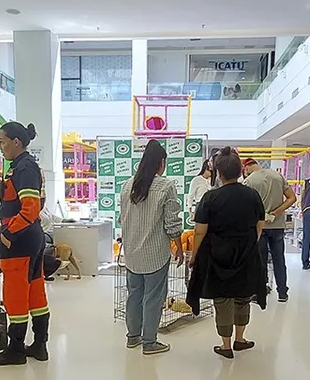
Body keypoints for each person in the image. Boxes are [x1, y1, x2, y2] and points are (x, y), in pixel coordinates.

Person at [187, 149, 267, 359]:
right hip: (246, 252)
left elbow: (200, 231)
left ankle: (226, 345)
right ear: (241, 170)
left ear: (219, 172)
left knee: (222, 298)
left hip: (217, 254)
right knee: (242, 295)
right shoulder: (252, 195)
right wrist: (251, 242)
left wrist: (194, 255)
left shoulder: (210, 197)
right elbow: (260, 224)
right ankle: (240, 339)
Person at [0, 121, 50, 366]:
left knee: (15, 296)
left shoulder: (23, 168)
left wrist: (7, 233)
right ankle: (39, 345)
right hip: (32, 237)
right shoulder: (27, 166)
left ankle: (15, 350)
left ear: (16, 142)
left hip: (19, 241)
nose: (0, 146)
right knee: (35, 293)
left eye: (2, 141)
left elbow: (31, 207)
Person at [120, 139, 183, 355]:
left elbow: (123, 219)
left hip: (132, 254)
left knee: (134, 295)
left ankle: (133, 337)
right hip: (155, 252)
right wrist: (179, 247)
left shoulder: (127, 185)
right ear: (161, 162)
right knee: (154, 297)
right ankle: (149, 342)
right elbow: (172, 222)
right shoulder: (166, 186)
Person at [244, 157, 296, 302]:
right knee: (279, 259)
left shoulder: (249, 181)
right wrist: (277, 212)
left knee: (260, 260)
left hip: (259, 227)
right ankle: (282, 292)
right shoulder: (277, 176)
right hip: (278, 225)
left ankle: (260, 291)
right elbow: (292, 198)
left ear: (246, 168)